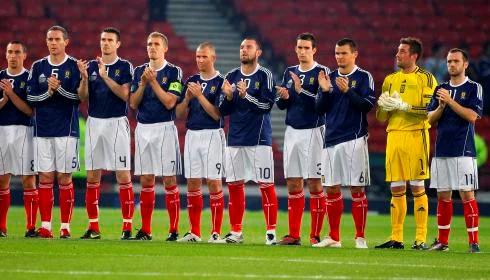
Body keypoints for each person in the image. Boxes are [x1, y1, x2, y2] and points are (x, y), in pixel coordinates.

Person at [375, 37, 437, 249]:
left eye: (402, 51)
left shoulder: (426, 79)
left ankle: (420, 239)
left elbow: (429, 111)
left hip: (415, 135)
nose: (397, 54)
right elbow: (381, 117)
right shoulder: (390, 79)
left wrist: (404, 106)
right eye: (397, 50)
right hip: (394, 136)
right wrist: (384, 107)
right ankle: (396, 238)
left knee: (418, 187)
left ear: (413, 56)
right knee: (396, 188)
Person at [313, 38, 375, 249]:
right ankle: (334, 237)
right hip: (330, 139)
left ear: (354, 54)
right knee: (331, 188)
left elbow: (367, 106)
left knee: (356, 189)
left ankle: (360, 237)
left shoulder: (364, 77)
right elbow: (319, 110)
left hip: (354, 138)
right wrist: (326, 91)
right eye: (337, 53)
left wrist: (349, 91)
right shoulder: (329, 77)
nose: (339, 57)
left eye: (343, 53)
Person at [217, 38, 278, 245]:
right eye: (241, 47)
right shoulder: (231, 76)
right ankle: (236, 232)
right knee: (234, 186)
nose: (244, 50)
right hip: (235, 138)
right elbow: (222, 111)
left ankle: (270, 233)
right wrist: (228, 97)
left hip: (259, 139)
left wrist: (245, 96)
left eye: (248, 47)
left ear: (258, 52)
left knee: (266, 186)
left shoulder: (265, 75)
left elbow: (267, 106)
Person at [77, 27, 134, 240]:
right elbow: (82, 98)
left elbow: (125, 95)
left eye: (110, 40)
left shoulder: (124, 66)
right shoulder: (90, 66)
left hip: (117, 123)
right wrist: (84, 79)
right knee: (92, 175)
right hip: (95, 123)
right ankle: (93, 227)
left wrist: (105, 77)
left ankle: (127, 227)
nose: (106, 43)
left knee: (123, 174)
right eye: (103, 39)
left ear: (118, 44)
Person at [275, 33, 330, 245]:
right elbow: (281, 105)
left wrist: (300, 90)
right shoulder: (289, 72)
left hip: (314, 132)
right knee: (293, 182)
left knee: (315, 183)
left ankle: (315, 235)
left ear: (314, 50)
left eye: (306, 48)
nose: (302, 51)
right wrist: (285, 96)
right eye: (299, 47)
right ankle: (294, 234)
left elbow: (322, 106)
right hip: (292, 132)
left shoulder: (321, 72)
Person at [27, 26, 81, 238]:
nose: (53, 42)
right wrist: (49, 92)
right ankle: (46, 225)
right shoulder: (38, 66)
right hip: (43, 129)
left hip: (66, 130)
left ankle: (65, 226)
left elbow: (78, 98)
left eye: (57, 39)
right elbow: (30, 98)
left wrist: (58, 89)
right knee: (45, 178)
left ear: (66, 42)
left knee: (65, 178)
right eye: (50, 39)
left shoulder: (74, 66)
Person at [427, 48, 483, 253]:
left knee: (467, 196)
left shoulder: (473, 87)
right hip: (441, 151)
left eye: (456, 61)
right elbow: (429, 120)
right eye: (449, 61)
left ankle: (474, 242)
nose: (451, 65)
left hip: (463, 151)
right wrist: (441, 107)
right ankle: (443, 242)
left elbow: (472, 116)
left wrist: (450, 101)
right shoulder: (440, 88)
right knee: (443, 197)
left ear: (465, 64)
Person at [129, 32, 183, 241]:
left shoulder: (173, 71)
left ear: (165, 48)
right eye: (149, 44)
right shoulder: (139, 71)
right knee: (146, 180)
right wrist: (143, 83)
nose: (152, 47)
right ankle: (146, 230)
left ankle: (174, 230)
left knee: (169, 179)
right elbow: (133, 103)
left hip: (164, 129)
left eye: (156, 44)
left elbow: (170, 102)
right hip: (143, 129)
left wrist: (152, 83)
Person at [175, 42, 225, 243]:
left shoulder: (222, 81)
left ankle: (215, 233)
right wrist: (187, 99)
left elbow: (217, 114)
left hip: (213, 135)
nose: (200, 60)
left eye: (204, 57)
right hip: (192, 135)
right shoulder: (191, 81)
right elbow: (178, 114)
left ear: (213, 58)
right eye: (197, 56)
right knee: (193, 182)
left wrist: (199, 96)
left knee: (214, 182)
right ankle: (194, 232)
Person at [0, 41, 38, 238]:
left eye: (16, 52)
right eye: (9, 52)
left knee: (28, 180)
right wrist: (5, 99)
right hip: (1, 132)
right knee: (2, 180)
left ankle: (31, 227)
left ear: (24, 55)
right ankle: (2, 227)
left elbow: (29, 111)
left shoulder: (29, 78)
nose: (12, 56)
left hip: (24, 132)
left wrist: (11, 94)